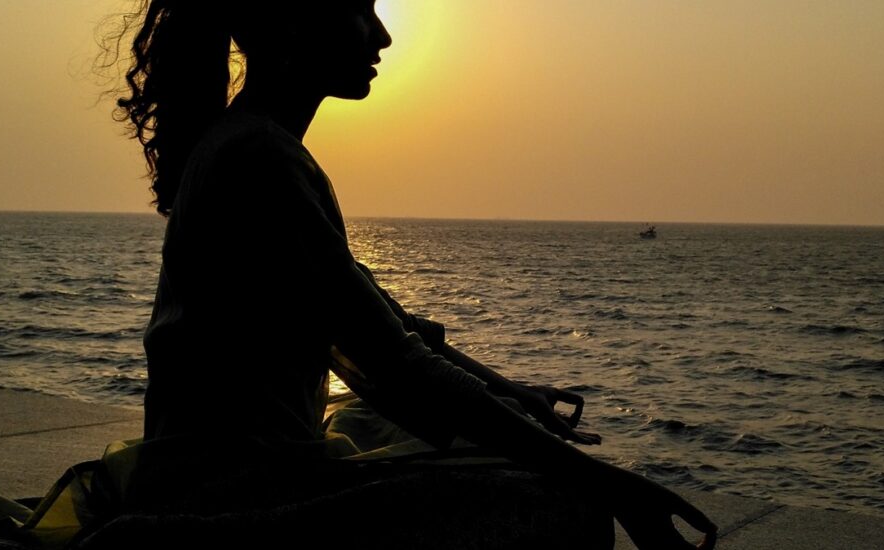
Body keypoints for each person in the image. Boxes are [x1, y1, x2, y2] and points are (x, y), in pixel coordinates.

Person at [112, 1, 718, 548]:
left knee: (483, 441)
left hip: (235, 472)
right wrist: (611, 484)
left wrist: (511, 392)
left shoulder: (255, 145)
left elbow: (386, 324)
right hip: (231, 493)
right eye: (360, 10)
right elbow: (395, 363)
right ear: (293, 23)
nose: (383, 36)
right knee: (573, 509)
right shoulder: (259, 159)